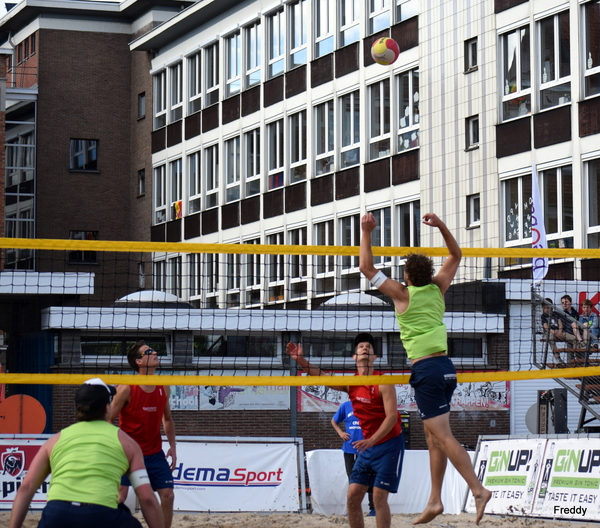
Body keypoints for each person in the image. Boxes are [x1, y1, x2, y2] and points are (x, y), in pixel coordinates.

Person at [359, 211, 491, 526]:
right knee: (432, 436)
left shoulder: (403, 295)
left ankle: (478, 489)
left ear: (406, 276)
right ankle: (434, 499)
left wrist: (366, 231)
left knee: (442, 436)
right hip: (445, 367)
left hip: (428, 371)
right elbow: (456, 254)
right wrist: (442, 226)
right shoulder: (437, 288)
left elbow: (366, 267)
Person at [9, 378, 164, 528]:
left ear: (77, 408)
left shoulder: (53, 441)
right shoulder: (128, 443)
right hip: (101, 514)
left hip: (58, 514)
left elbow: (26, 488)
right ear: (107, 408)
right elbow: (147, 498)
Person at [287, 333, 403, 528]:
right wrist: (300, 360)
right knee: (352, 496)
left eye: (369, 347)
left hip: (389, 445)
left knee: (378, 497)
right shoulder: (351, 383)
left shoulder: (384, 381)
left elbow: (392, 417)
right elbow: (322, 376)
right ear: (354, 357)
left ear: (375, 357)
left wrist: (371, 440)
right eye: (360, 347)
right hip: (368, 447)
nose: (365, 348)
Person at [110, 341, 176, 528]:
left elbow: (168, 419)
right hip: (127, 454)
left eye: (154, 349)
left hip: (154, 453)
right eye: (149, 351)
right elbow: (108, 420)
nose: (155, 352)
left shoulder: (163, 386)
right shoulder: (126, 388)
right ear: (139, 362)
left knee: (168, 495)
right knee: (120, 496)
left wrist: (173, 447)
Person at [331, 400, 376, 516]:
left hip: (367, 449)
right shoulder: (346, 406)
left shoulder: (371, 405)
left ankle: (373, 509)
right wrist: (340, 433)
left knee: (370, 478)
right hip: (350, 449)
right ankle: (353, 510)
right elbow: (334, 421)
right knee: (353, 480)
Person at [540, 299, 568, 366]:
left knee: (573, 338)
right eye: (545, 308)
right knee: (551, 337)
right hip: (550, 332)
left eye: (548, 307)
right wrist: (555, 333)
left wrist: (560, 331)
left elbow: (560, 323)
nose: (546, 309)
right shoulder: (543, 316)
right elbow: (546, 327)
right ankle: (558, 358)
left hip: (559, 331)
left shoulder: (556, 314)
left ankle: (578, 356)